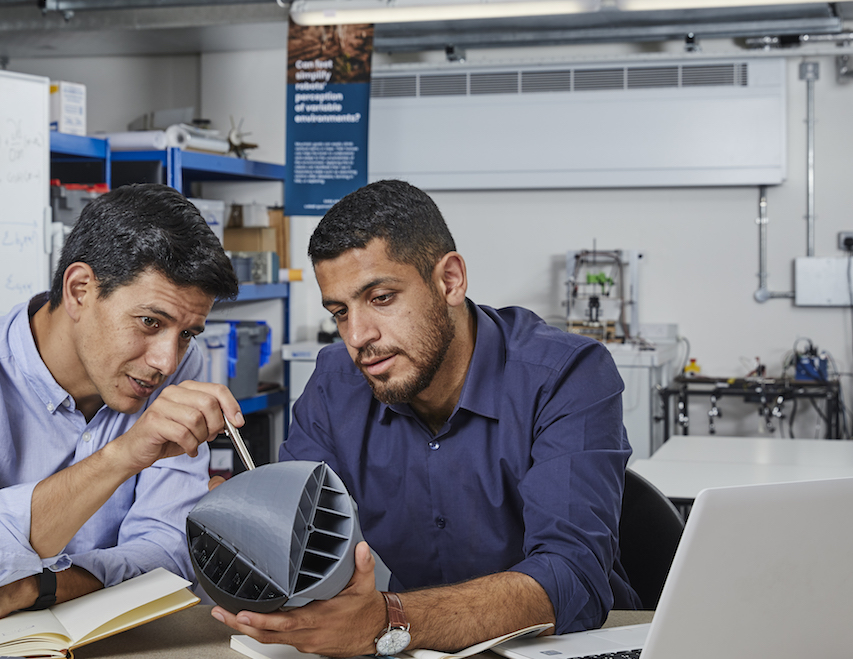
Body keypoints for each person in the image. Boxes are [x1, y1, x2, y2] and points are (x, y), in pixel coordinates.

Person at [212, 180, 639, 656]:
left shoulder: (566, 374)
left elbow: (573, 576)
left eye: (380, 298)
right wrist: (243, 522)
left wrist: (387, 620)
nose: (357, 337)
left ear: (450, 280)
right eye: (339, 312)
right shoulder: (336, 382)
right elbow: (296, 543)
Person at [0, 183, 242, 631]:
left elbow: (169, 557)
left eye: (188, 333)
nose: (166, 361)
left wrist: (31, 589)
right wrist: (123, 455)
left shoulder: (179, 364)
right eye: (150, 322)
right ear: (79, 290)